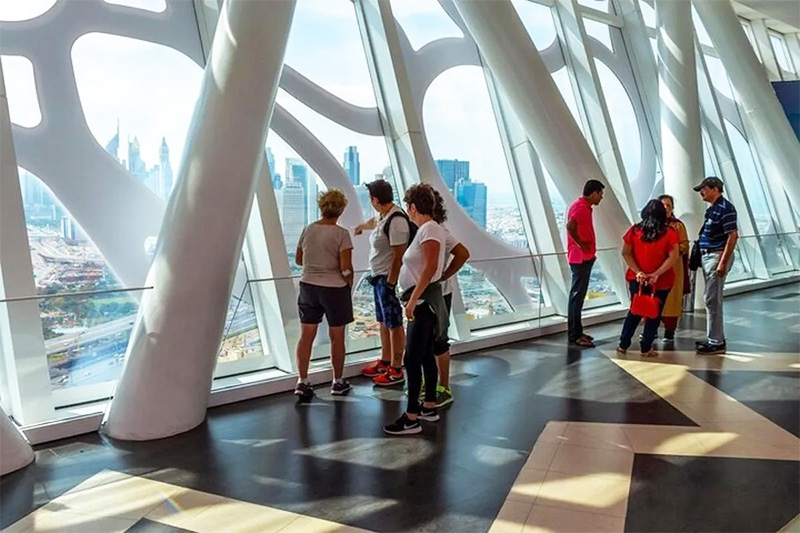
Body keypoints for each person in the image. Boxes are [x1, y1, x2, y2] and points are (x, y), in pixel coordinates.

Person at [384, 184, 448, 436]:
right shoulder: (430, 229)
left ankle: (411, 416)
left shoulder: (429, 229)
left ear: (412, 207)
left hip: (422, 304)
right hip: (424, 302)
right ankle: (429, 405)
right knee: (424, 356)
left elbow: (430, 267)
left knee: (412, 359)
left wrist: (413, 300)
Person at [294, 190, 355, 399]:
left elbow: (299, 260)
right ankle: (337, 382)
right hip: (334, 289)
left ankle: (302, 381)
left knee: (306, 336)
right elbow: (345, 268)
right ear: (341, 210)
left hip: (308, 287)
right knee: (337, 338)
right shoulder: (341, 234)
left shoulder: (308, 229)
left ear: (321, 207)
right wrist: (349, 282)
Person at [355, 180, 410, 386]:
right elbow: (375, 223)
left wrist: (391, 283)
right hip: (379, 277)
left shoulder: (396, 221)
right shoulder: (384, 216)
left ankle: (396, 368)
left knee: (394, 323)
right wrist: (361, 227)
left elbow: (398, 255)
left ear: (375, 200)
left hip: (388, 279)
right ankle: (386, 360)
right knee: (384, 321)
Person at [617, 199, 679, 357]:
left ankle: (623, 344)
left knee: (634, 311)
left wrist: (638, 271)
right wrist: (656, 273)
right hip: (662, 281)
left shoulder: (634, 231)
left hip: (637, 279)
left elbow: (626, 253)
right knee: (654, 314)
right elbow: (673, 256)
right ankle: (646, 347)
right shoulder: (669, 233)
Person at [429, 190, 470, 408]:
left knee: (438, 340)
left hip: (438, 294)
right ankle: (431, 384)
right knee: (429, 341)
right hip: (433, 293)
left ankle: (443, 386)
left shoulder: (439, 231)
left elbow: (463, 253)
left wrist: (444, 274)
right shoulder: (430, 230)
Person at [694, 177, 738, 355]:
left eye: (704, 189)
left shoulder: (725, 208)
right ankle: (714, 337)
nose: (701, 192)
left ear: (715, 189)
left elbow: (733, 236)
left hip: (716, 256)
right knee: (710, 298)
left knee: (712, 299)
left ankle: (716, 341)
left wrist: (722, 262)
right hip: (709, 256)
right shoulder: (712, 209)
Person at [566, 180, 604, 347]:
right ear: (594, 193)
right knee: (577, 297)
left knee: (578, 297)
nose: (601, 197)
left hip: (583, 257)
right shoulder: (581, 208)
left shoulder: (583, 207)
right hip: (580, 258)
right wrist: (581, 244)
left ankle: (577, 332)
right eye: (600, 194)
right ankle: (575, 335)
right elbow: (570, 226)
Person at [658, 194, 690, 342]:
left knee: (672, 300)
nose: (666, 208)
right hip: (655, 267)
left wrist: (672, 251)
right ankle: (651, 330)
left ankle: (669, 331)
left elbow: (685, 244)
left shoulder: (678, 226)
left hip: (674, 268)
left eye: (668, 205)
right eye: (663, 205)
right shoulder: (652, 224)